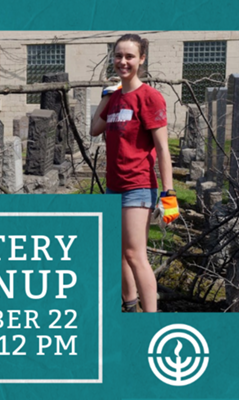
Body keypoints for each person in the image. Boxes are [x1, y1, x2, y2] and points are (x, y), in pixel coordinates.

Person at [91, 34, 179, 312]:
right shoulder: (115, 98)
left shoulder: (150, 98)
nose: (123, 61)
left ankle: (150, 320)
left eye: (129, 56)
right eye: (118, 56)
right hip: (113, 186)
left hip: (138, 186)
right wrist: (107, 97)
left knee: (134, 254)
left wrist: (169, 194)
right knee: (117, 253)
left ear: (142, 59)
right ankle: (129, 308)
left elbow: (163, 149)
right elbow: (95, 129)